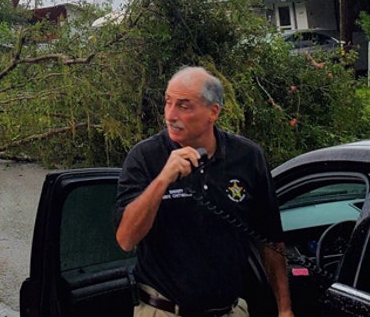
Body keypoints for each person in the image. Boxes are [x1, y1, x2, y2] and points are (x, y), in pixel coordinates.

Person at [114, 66, 294, 317]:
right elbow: (126, 239)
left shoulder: (247, 157)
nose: (170, 115)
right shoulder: (144, 157)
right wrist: (162, 179)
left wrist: (284, 309)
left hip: (230, 309)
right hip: (164, 309)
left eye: (184, 106)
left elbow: (271, 240)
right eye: (168, 102)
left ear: (213, 112)